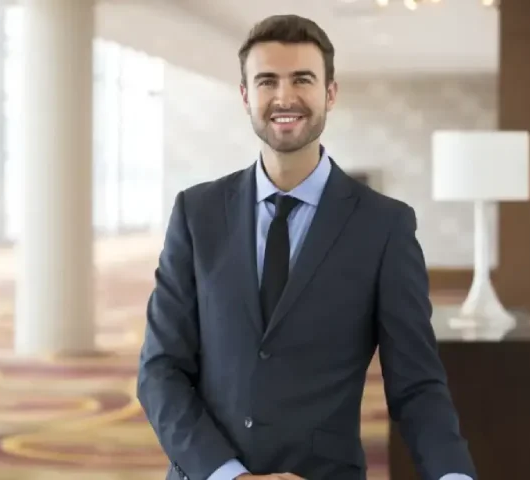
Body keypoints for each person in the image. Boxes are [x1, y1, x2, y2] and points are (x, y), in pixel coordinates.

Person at [137, 13, 477, 480]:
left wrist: (453, 475)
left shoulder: (384, 226)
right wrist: (228, 475)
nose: (284, 97)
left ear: (330, 93)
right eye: (266, 81)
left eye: (302, 79)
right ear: (245, 96)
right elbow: (160, 371)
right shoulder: (197, 214)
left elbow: (416, 385)